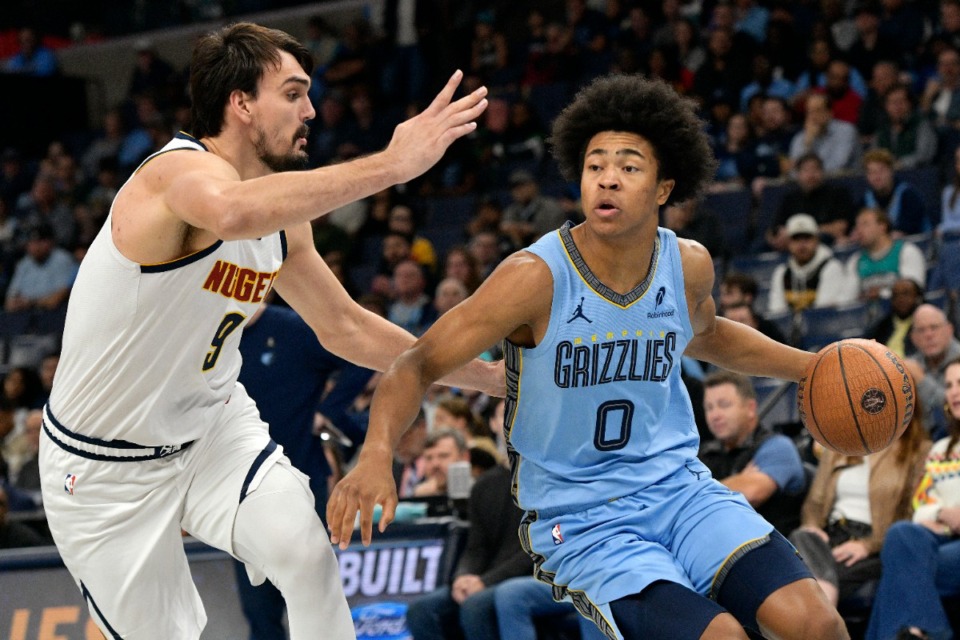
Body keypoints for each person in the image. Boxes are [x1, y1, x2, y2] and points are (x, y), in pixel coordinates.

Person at [329, 75, 849, 640]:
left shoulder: (688, 264)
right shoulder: (534, 277)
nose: (607, 177)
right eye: (595, 164)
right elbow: (417, 362)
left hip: (680, 489)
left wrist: (811, 366)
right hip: (582, 518)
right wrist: (376, 454)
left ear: (663, 188)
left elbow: (707, 333)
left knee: (817, 622)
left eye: (629, 166)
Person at [37, 22, 500, 640]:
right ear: (241, 103)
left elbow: (347, 329)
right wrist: (391, 165)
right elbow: (230, 212)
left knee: (307, 556)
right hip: (103, 464)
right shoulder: (173, 176)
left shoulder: (283, 222)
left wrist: (489, 377)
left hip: (210, 430)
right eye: (293, 93)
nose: (311, 110)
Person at [232, 301, 375, 640]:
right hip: (240, 489)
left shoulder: (294, 328)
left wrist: (329, 410)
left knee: (310, 597)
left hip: (302, 481)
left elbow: (360, 359)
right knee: (258, 609)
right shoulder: (213, 338)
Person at [789, 414, 931, 608]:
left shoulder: (918, 449)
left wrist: (868, 545)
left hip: (876, 544)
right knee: (801, 536)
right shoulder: (838, 445)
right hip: (828, 537)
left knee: (801, 579)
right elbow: (814, 502)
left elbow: (911, 513)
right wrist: (813, 526)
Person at [864, 357, 960, 640]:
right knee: (902, 533)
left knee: (901, 570)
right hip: (939, 538)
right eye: (949, 385)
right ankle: (927, 631)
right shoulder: (941, 448)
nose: (954, 391)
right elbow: (921, 506)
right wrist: (946, 516)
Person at [405, 460, 531, 640]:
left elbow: (536, 552)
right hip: (488, 579)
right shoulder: (484, 484)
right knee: (422, 610)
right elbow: (476, 548)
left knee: (475, 605)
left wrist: (486, 581)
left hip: (534, 577)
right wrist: (462, 577)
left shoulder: (548, 478)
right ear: (495, 428)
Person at [699, 370, 807, 535]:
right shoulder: (704, 453)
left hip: (769, 550)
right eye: (709, 408)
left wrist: (697, 492)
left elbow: (751, 493)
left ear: (750, 408)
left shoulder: (778, 446)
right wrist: (736, 483)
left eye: (724, 405)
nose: (715, 415)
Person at [767, 214, 849, 315]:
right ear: (788, 242)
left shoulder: (831, 268)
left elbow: (823, 314)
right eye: (796, 239)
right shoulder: (781, 273)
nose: (802, 244)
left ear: (817, 239)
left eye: (807, 238)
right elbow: (777, 314)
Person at [843, 208, 926, 301]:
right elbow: (847, 299)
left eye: (865, 224)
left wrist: (882, 293)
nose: (859, 230)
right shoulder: (856, 260)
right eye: (857, 226)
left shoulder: (906, 251)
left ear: (882, 226)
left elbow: (912, 290)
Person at [904, 305, 960, 440]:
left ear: (949, 330)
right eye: (921, 330)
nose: (928, 335)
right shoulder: (908, 367)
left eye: (934, 327)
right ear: (914, 338)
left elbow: (954, 407)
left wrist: (922, 381)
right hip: (919, 445)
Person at [859, 148, 933, 236]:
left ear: (891, 171)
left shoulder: (909, 195)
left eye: (881, 171)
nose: (876, 177)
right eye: (871, 172)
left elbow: (905, 230)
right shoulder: (865, 200)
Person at [865, 278, 925, 359]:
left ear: (918, 297)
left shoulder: (926, 325)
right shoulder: (882, 327)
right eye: (896, 295)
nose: (900, 299)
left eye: (906, 294)